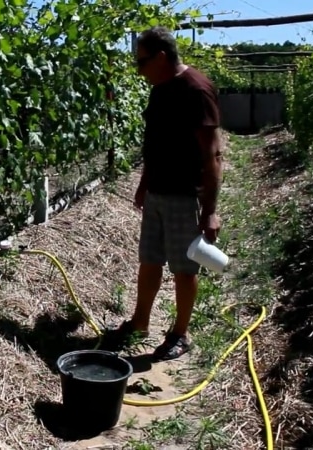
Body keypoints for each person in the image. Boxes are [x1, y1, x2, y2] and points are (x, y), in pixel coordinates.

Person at [122, 27, 223, 361]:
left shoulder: (196, 90)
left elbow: (213, 156)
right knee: (149, 260)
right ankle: (140, 323)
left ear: (162, 57)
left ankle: (180, 334)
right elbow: (156, 142)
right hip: (157, 192)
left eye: (142, 62)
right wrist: (144, 182)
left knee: (184, 268)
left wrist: (209, 210)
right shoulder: (159, 89)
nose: (139, 70)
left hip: (185, 196)